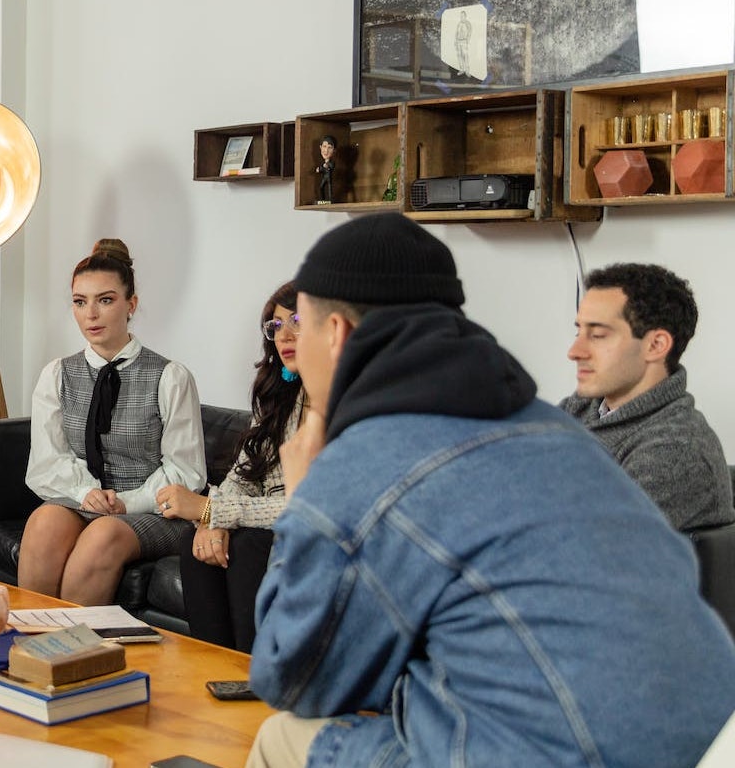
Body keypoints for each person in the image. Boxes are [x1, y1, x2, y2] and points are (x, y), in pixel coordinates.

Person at [244, 213, 735, 768]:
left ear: (337, 334)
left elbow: (292, 676)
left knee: (284, 735)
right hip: (711, 745)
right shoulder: (555, 428)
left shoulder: (368, 466)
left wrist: (304, 498)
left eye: (299, 326)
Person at [15, 239, 205, 606]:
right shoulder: (57, 374)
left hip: (154, 511)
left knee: (102, 535)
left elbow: (186, 471)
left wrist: (125, 504)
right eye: (80, 302)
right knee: (42, 525)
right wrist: (85, 493)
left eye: (105, 300)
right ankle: (29, 649)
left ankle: (75, 655)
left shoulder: (171, 376)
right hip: (83, 499)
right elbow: (46, 462)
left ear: (130, 304)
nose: (91, 314)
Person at [166, 281, 300, 652]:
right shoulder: (278, 399)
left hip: (301, 534)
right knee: (196, 544)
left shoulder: (336, 403)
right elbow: (242, 475)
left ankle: (251, 679)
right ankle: (213, 673)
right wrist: (212, 521)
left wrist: (212, 509)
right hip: (262, 523)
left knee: (249, 545)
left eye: (298, 321)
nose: (285, 335)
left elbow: (308, 506)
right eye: (275, 326)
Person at [560, 262, 734, 531]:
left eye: (597, 335)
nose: (575, 351)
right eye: (578, 332)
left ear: (656, 345)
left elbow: (579, 547)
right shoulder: (577, 410)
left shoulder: (676, 451)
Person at [313, 135, 337, 203]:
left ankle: (330, 200)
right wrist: (319, 169)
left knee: (329, 188)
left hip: (329, 177)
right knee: (321, 187)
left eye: (330, 147)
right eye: (324, 146)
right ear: (320, 147)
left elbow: (331, 166)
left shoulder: (331, 162)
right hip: (325, 177)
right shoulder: (324, 163)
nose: (326, 151)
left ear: (334, 150)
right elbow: (323, 168)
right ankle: (323, 199)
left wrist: (326, 165)